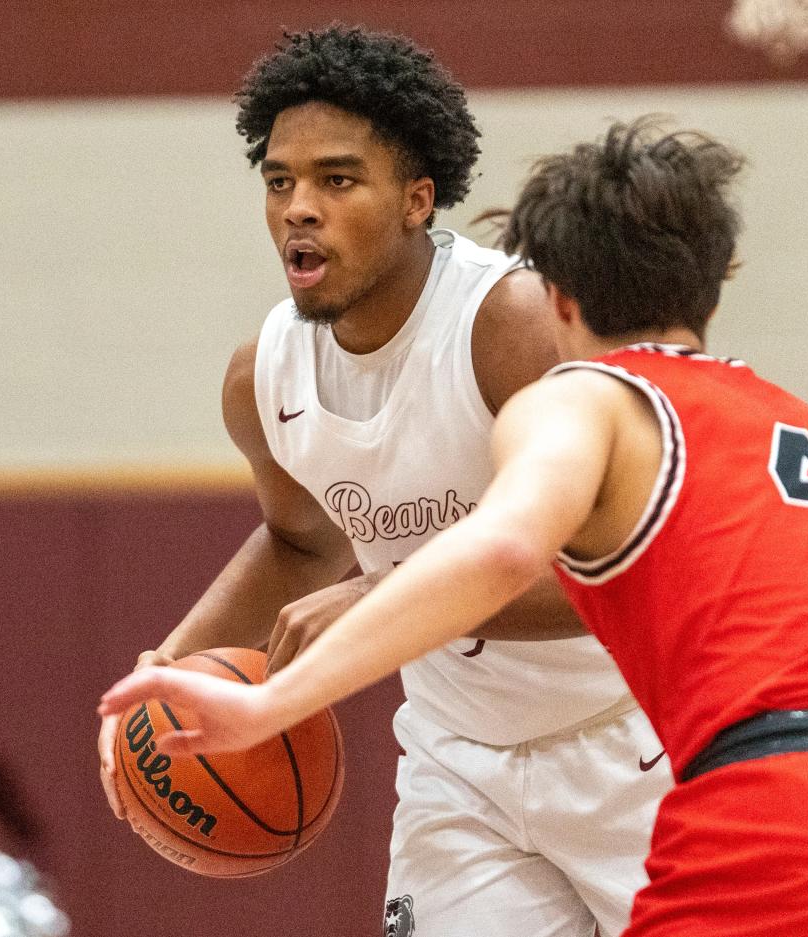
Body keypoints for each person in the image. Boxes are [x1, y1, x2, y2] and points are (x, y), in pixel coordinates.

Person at [101, 116, 808, 937]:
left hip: (781, 792)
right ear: (718, 275)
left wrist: (280, 700)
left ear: (557, 298)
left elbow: (508, 551)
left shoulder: (588, 399)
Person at [96, 25, 670, 937]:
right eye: (279, 181)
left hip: (630, 744)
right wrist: (166, 672)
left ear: (416, 199)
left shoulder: (506, 325)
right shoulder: (265, 376)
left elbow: (629, 570)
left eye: (336, 179)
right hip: (458, 765)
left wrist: (390, 596)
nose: (298, 208)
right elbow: (300, 542)